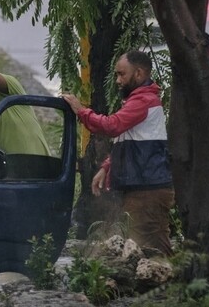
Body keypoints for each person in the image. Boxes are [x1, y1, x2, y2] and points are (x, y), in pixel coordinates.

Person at [62, 50, 174, 256]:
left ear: (139, 73)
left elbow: (112, 126)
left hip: (147, 190)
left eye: (122, 74)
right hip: (143, 188)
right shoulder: (139, 100)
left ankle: (173, 284)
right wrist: (106, 167)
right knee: (146, 248)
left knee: (153, 250)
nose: (117, 80)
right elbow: (129, 141)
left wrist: (81, 111)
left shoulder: (143, 101)